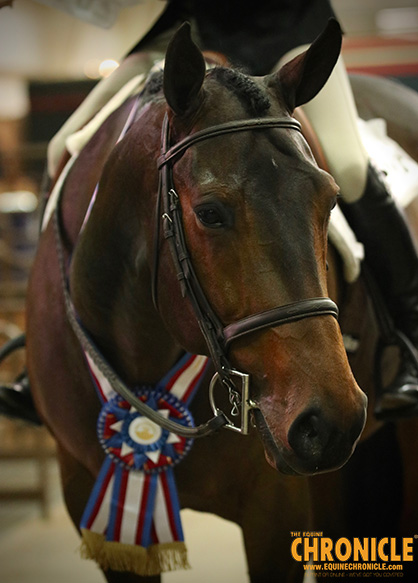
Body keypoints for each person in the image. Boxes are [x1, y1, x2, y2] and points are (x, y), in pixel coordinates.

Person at [1, 0, 418, 423]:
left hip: (281, 34)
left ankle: (411, 334)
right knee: (62, 147)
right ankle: (42, 353)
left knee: (347, 164)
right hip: (181, 34)